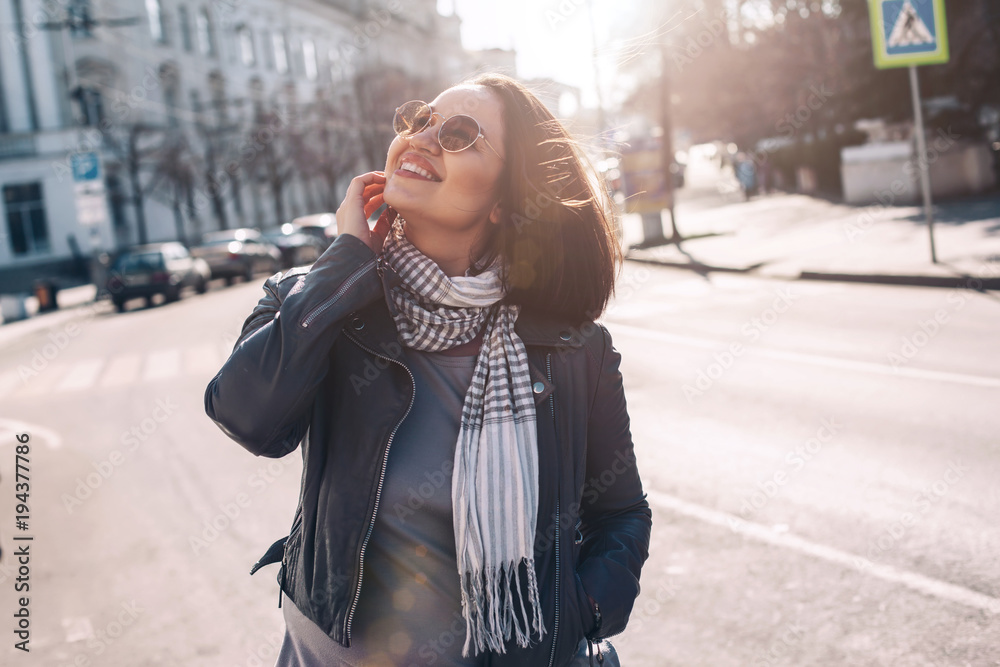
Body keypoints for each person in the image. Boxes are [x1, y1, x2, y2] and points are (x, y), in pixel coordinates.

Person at [204, 72, 652, 667]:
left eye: (460, 133)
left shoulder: (573, 351)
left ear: (503, 201)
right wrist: (345, 265)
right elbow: (246, 415)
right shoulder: (317, 301)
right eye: (419, 120)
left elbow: (620, 513)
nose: (422, 138)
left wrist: (583, 611)